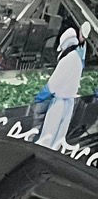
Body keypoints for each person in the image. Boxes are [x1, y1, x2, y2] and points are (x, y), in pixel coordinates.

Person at [37, 22, 87, 151]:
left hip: (58, 104)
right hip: (69, 103)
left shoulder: (67, 59)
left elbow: (53, 85)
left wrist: (40, 96)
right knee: (59, 137)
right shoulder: (78, 57)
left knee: (47, 137)